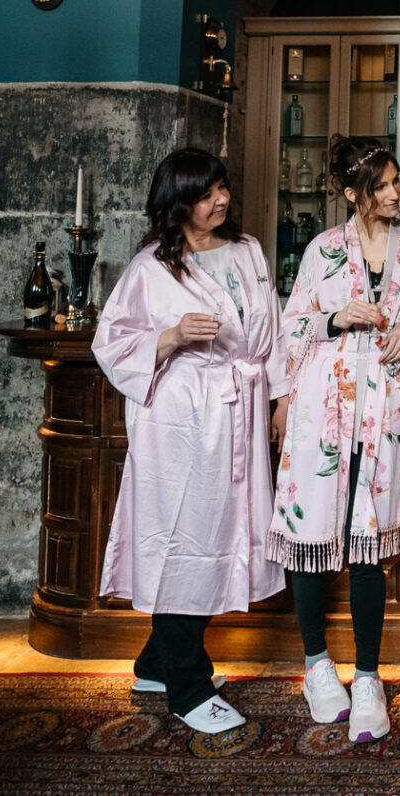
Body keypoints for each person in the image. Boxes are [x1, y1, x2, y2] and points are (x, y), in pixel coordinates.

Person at [91, 147, 287, 736]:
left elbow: (271, 329)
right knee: (184, 541)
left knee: (221, 537)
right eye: (205, 194)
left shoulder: (248, 251)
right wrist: (172, 335)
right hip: (182, 423)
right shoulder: (152, 267)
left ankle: (155, 665)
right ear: (178, 202)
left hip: (240, 412)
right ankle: (188, 688)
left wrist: (279, 400)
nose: (220, 200)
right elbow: (110, 342)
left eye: (222, 187)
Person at [268, 138, 400, 740]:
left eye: (395, 182)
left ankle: (367, 677)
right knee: (314, 531)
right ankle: (316, 664)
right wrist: (336, 319)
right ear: (352, 195)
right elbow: (292, 326)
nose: (394, 193)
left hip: (385, 407)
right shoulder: (322, 249)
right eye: (382, 186)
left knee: (368, 542)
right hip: (323, 407)